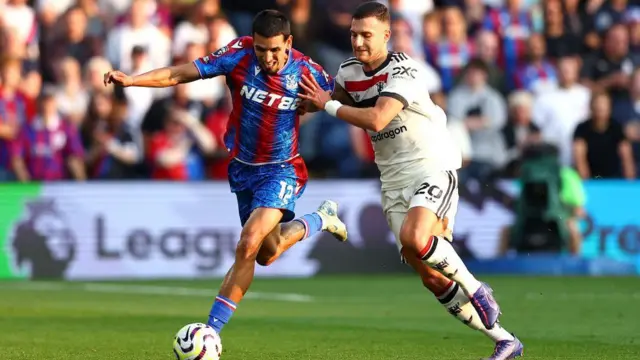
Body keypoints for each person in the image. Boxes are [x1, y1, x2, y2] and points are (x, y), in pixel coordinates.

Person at [298, 2, 523, 359]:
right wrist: (296, 98)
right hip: (392, 180)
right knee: (431, 276)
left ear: (386, 36)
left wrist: (326, 105)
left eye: (366, 35)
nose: (358, 42)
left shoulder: (405, 70)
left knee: (415, 237)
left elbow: (376, 119)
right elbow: (328, 100)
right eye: (354, 34)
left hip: (430, 165)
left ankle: (477, 289)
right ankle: (505, 340)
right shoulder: (348, 72)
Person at [104, 9, 347, 335]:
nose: (268, 57)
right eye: (262, 50)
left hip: (281, 170)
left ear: (288, 42)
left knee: (247, 243)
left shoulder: (305, 69)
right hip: (243, 169)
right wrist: (134, 80)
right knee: (266, 253)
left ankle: (210, 332)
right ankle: (320, 218)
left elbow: (342, 96)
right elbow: (179, 74)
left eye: (275, 50)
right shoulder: (239, 55)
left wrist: (319, 103)